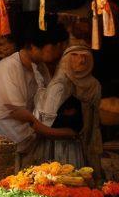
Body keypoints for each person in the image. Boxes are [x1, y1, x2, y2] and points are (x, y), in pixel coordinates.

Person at [0, 22, 72, 168]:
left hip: (16, 140)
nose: (59, 51)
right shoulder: (9, 67)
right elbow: (17, 113)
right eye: (56, 46)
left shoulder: (41, 68)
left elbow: (43, 106)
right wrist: (53, 132)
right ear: (34, 46)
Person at [36, 43, 102, 171]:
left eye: (84, 56)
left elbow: (95, 118)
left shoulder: (94, 85)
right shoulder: (59, 85)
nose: (81, 60)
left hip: (86, 139)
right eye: (75, 56)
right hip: (60, 143)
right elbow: (47, 121)